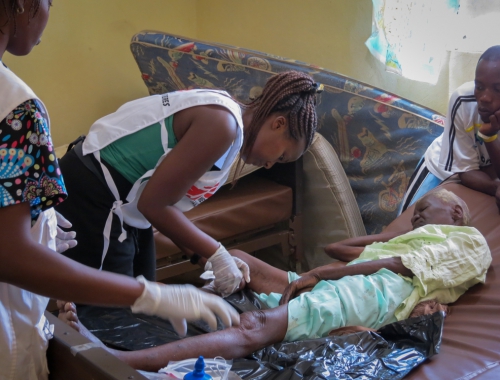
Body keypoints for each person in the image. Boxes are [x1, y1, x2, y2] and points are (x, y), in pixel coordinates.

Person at [0, 1, 239, 379]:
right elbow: (10, 255)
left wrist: (39, 219)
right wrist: (148, 294)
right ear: (25, 5)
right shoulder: (17, 108)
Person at [58, 188, 491, 372]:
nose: (414, 218)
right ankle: (204, 315)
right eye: (412, 214)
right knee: (242, 260)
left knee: (254, 327)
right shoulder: (413, 238)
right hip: (350, 280)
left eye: (422, 211)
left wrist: (319, 274)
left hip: (377, 291)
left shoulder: (468, 239)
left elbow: (397, 270)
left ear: (455, 212)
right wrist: (394, 234)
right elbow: (341, 250)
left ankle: (122, 362)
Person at [55, 67, 321, 297]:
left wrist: (206, 260)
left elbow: (161, 206)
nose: (270, 164)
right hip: (93, 193)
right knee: (111, 312)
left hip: (127, 207)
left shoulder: (229, 132)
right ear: (278, 124)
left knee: (142, 301)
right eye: (281, 155)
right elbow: (155, 205)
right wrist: (217, 253)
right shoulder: (222, 124)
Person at [400, 45, 500, 214]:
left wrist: (489, 136)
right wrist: (496, 186)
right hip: (443, 170)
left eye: (498, 89)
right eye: (479, 86)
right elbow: (464, 171)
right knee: (407, 223)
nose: (484, 98)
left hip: (486, 173)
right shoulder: (463, 100)